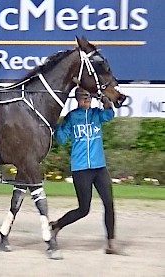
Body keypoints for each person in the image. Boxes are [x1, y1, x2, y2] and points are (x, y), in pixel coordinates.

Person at [51, 88, 120, 254]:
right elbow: (61, 139)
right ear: (77, 99)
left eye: (88, 97)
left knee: (109, 204)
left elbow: (109, 115)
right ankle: (56, 226)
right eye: (83, 97)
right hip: (81, 169)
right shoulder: (72, 117)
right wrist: (56, 125)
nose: (86, 100)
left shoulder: (97, 114)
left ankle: (110, 244)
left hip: (99, 167)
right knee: (84, 209)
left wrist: (105, 101)